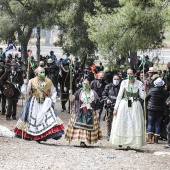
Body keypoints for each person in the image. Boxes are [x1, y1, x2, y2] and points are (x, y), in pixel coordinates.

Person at [14, 66, 64, 142]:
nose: (43, 73)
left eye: (43, 72)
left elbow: (54, 92)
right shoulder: (32, 81)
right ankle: (33, 135)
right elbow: (26, 92)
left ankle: (43, 136)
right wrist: (25, 84)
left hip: (45, 103)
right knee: (33, 120)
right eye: (41, 72)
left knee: (46, 119)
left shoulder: (48, 81)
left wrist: (53, 102)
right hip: (34, 103)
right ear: (36, 73)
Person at [110, 68, 146, 149]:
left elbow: (143, 97)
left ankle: (132, 142)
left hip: (135, 105)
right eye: (128, 74)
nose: (129, 75)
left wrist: (144, 90)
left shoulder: (139, 83)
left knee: (134, 123)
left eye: (131, 74)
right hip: (125, 104)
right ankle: (122, 141)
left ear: (134, 74)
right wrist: (116, 108)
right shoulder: (124, 82)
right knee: (124, 122)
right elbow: (119, 95)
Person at [65, 79, 102, 146]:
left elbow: (98, 103)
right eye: (84, 84)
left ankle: (87, 139)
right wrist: (70, 93)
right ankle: (82, 141)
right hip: (81, 112)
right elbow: (71, 99)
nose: (85, 85)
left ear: (89, 85)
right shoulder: (79, 92)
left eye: (86, 84)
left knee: (88, 127)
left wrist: (97, 112)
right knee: (81, 127)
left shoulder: (93, 93)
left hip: (90, 112)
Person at [146, 78, 166, 144]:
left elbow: (146, 98)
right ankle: (156, 140)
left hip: (151, 109)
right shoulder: (163, 92)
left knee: (150, 123)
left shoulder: (151, 90)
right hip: (160, 110)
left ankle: (150, 139)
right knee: (157, 124)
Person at [102, 75, 120, 141]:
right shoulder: (108, 86)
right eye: (115, 79)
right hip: (110, 106)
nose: (116, 80)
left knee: (118, 121)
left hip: (118, 106)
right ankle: (109, 134)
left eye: (117, 79)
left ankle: (116, 134)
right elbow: (104, 94)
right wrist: (107, 99)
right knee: (109, 120)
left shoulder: (121, 87)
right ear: (112, 79)